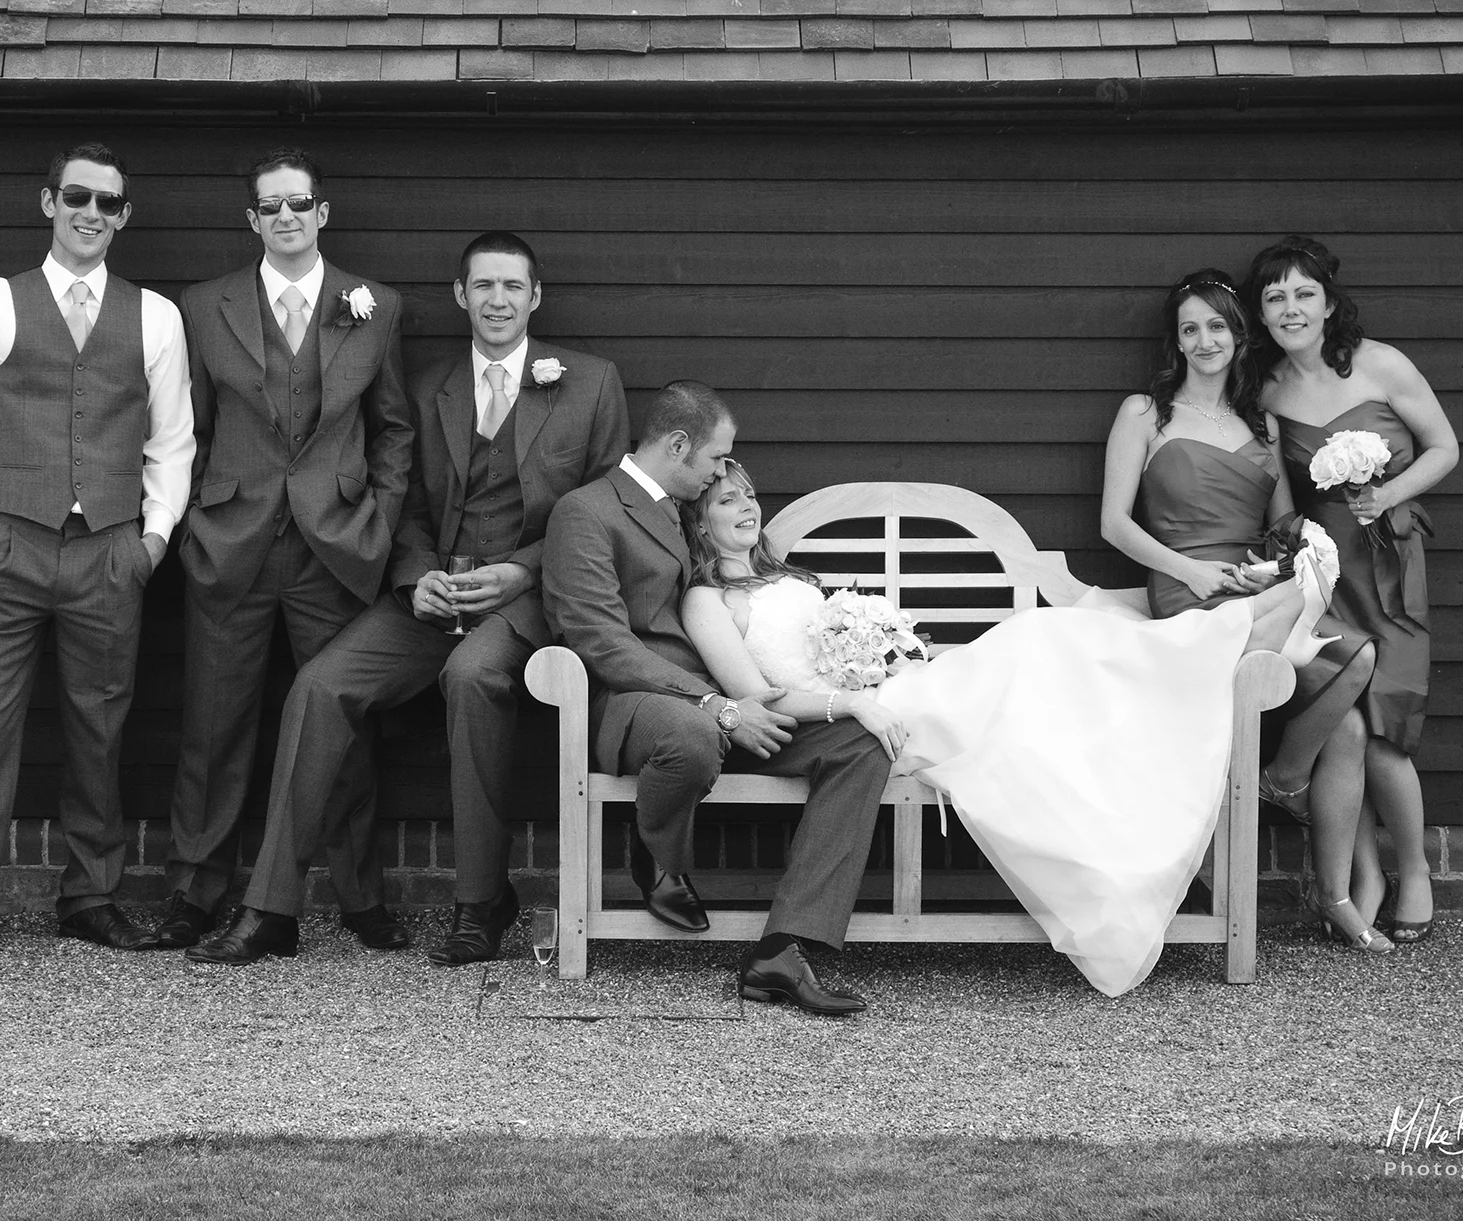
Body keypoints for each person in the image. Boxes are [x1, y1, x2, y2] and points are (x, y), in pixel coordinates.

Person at [680, 459, 1340, 997]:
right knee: (1037, 641)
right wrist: (850, 703)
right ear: (700, 525)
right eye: (725, 501)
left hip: (891, 697)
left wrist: (881, 654)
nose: (745, 506)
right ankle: (1253, 625)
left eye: (748, 494)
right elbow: (753, 697)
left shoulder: (789, 579)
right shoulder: (708, 601)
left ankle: (1251, 620)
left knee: (1043, 643)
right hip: (853, 719)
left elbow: (843, 657)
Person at [186, 232, 629, 967]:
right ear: (460, 296)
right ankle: (270, 909)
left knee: (472, 676)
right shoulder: (430, 386)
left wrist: (522, 571)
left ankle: (480, 900)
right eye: (482, 286)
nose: (497, 300)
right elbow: (407, 499)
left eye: (512, 287)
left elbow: (608, 508)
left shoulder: (590, 381)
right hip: (433, 595)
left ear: (535, 297)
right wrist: (413, 576)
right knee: (321, 685)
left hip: (533, 600)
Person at [0, 143, 194, 966]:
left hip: (110, 552)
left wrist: (151, 540)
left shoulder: (155, 317)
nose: (92, 214)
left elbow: (172, 441)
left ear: (124, 217)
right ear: (48, 202)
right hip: (6, 547)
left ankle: (90, 896)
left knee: (99, 732)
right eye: (78, 197)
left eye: (109, 203)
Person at [542, 382, 891, 1016]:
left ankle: (783, 950)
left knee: (859, 743)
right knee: (693, 735)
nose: (718, 476)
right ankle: (658, 856)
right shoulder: (586, 512)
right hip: (641, 698)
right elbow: (600, 641)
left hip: (738, 702)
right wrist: (717, 704)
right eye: (713, 461)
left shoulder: (682, 505)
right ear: (678, 446)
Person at [152, 147, 413, 953]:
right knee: (213, 724)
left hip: (336, 546)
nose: (287, 218)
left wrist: (377, 514)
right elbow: (182, 427)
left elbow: (394, 429)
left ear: (322, 212)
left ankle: (361, 894)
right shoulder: (205, 305)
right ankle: (197, 891)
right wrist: (194, 518)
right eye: (271, 207)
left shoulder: (376, 305)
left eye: (299, 204)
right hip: (230, 541)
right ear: (252, 219)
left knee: (341, 724)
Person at [1100, 270, 1387, 953]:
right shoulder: (1145, 413)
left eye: (1218, 326)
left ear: (1238, 334)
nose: (1205, 340)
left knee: (1348, 714)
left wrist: (1304, 541)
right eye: (1191, 328)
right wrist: (1189, 569)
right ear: (1176, 341)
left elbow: (1283, 523)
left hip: (1255, 590)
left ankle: (1332, 885)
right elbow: (1114, 524)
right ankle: (1285, 784)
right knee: (1352, 665)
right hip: (1185, 590)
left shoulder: (1260, 420)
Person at [1245, 236, 1459, 945]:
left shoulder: (1380, 364)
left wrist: (1387, 492)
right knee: (1348, 726)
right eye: (1276, 297)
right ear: (1264, 314)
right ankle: (1363, 877)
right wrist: (1288, 552)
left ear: (1329, 302)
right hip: (1328, 569)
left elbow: (1444, 448)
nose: (1291, 307)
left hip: (1391, 560)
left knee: (1388, 732)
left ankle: (1416, 873)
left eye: (1304, 293)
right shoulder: (1269, 390)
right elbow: (1280, 503)